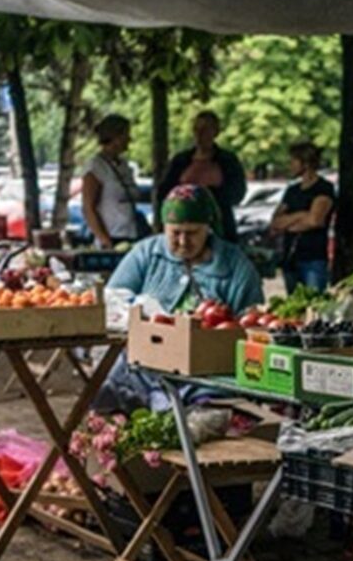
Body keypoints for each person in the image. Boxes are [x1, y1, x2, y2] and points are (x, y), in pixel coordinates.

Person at [95, 185, 264, 412]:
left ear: (208, 228)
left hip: (206, 371)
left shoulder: (234, 264)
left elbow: (251, 322)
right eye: (175, 233)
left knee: (209, 404)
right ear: (164, 228)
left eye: (192, 233)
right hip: (145, 364)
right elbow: (113, 299)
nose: (183, 241)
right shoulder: (145, 253)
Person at [158, 111, 247, 244]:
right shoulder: (180, 161)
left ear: (215, 132)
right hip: (183, 227)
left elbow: (237, 193)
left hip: (219, 229)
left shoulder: (228, 161)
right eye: (196, 129)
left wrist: (207, 196)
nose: (199, 134)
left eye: (205, 130)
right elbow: (164, 192)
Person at [270, 141, 335, 293]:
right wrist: (302, 215)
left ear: (305, 163)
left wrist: (290, 221)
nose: (290, 164)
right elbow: (276, 221)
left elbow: (315, 220)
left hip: (313, 257)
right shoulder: (292, 190)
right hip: (290, 257)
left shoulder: (323, 188)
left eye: (293, 160)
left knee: (313, 302)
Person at [81, 114, 145, 249]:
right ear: (115, 137)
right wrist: (104, 239)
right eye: (126, 134)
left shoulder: (124, 166)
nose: (129, 139)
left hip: (131, 234)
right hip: (111, 236)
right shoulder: (96, 167)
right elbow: (88, 207)